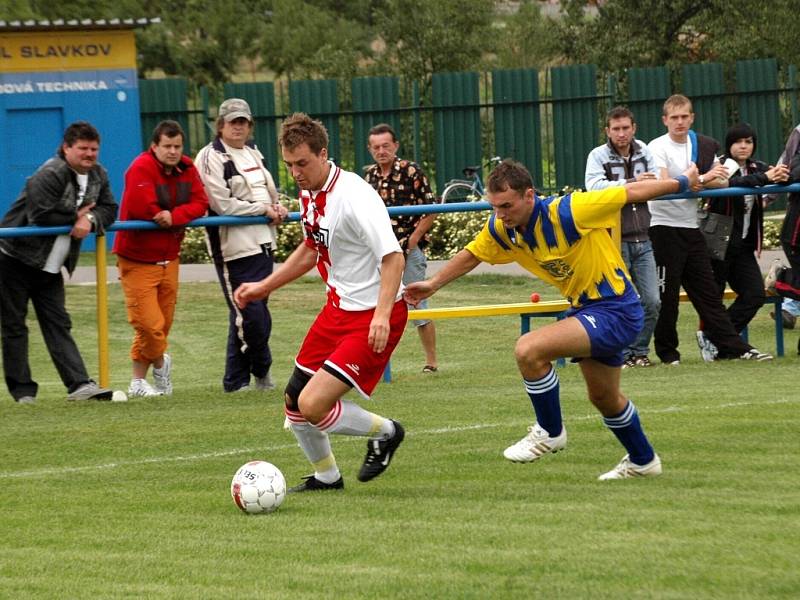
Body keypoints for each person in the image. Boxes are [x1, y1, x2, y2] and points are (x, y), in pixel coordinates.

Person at [404, 159, 699, 480]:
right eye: (494, 207)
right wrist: (432, 284)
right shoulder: (504, 230)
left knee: (529, 349)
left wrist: (682, 182)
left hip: (615, 308)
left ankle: (550, 430)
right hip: (587, 310)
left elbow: (630, 192)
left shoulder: (570, 211)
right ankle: (644, 461)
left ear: (530, 195)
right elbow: (474, 253)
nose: (500, 214)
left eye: (507, 205)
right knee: (604, 397)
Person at [234, 113, 407, 492]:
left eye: (303, 163)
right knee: (295, 403)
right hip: (338, 310)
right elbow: (312, 249)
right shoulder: (310, 191)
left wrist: (380, 317)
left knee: (313, 405)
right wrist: (264, 286)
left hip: (376, 313)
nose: (296, 172)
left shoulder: (356, 196)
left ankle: (388, 432)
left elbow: (393, 257)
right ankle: (328, 478)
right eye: (290, 165)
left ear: (323, 153)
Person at [647, 94, 771, 363]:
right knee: (666, 297)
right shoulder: (657, 147)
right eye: (674, 118)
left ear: (692, 118)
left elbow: (721, 181)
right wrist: (699, 179)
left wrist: (695, 181)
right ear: (665, 120)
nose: (680, 122)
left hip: (692, 228)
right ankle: (668, 354)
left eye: (684, 117)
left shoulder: (702, 144)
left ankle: (734, 348)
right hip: (663, 228)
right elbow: (665, 183)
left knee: (708, 295)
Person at [0, 121, 117, 404]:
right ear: (67, 148)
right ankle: (23, 392)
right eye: (83, 149)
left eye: (94, 149)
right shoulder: (49, 173)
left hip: (50, 267)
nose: (89, 154)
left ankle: (79, 385)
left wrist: (90, 219)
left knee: (58, 323)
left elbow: (110, 208)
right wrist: (76, 216)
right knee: (14, 326)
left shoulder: (99, 174)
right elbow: (40, 214)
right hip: (13, 259)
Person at [196, 98, 289, 393]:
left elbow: (267, 193)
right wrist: (262, 210)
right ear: (220, 124)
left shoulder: (253, 153)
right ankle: (262, 370)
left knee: (246, 314)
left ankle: (235, 382)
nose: (238, 127)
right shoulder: (211, 156)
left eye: (243, 121)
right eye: (232, 121)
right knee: (251, 316)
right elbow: (221, 204)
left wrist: (278, 207)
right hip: (234, 248)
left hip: (263, 244)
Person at [113, 120, 209, 397]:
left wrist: (174, 216)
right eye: (167, 146)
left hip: (170, 257)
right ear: (154, 147)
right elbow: (144, 206)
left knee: (160, 325)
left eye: (177, 146)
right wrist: (170, 213)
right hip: (138, 258)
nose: (172, 151)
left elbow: (200, 203)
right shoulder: (141, 167)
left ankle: (137, 382)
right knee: (148, 324)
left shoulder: (188, 168)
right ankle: (160, 363)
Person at [585, 106, 659, 368]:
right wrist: (632, 183)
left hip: (643, 236)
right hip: (612, 240)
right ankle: (623, 354)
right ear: (607, 131)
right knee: (619, 302)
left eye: (625, 128)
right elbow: (593, 187)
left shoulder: (645, 151)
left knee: (652, 300)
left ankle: (639, 351)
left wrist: (639, 183)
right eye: (615, 129)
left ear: (634, 128)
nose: (621, 133)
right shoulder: (598, 155)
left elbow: (657, 180)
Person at [701, 123, 788, 341]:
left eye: (748, 142)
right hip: (718, 242)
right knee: (714, 297)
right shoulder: (719, 164)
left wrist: (782, 176)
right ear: (729, 144)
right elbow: (725, 182)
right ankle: (718, 340)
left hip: (744, 246)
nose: (743, 147)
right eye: (738, 142)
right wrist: (765, 178)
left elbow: (770, 177)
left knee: (754, 295)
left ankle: (717, 339)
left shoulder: (757, 167)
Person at [365, 123, 439, 372]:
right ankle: (378, 365)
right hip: (380, 251)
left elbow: (431, 209)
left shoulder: (411, 171)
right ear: (370, 149)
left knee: (416, 303)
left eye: (386, 145)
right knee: (374, 306)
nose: (381, 151)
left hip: (407, 249)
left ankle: (431, 362)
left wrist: (413, 240)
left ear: (395, 145)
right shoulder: (370, 177)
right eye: (376, 147)